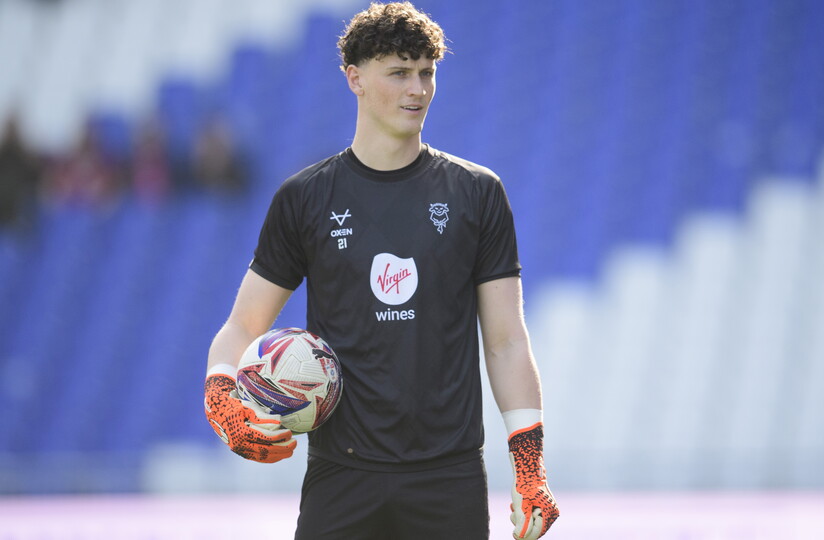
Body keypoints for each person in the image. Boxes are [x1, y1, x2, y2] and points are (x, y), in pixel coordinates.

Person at [202, 3, 559, 539]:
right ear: (355, 79)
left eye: (426, 72)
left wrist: (529, 467)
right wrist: (221, 398)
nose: (417, 89)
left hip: (449, 476)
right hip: (341, 474)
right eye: (399, 72)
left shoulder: (477, 193)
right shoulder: (304, 198)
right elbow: (242, 326)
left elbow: (507, 341)